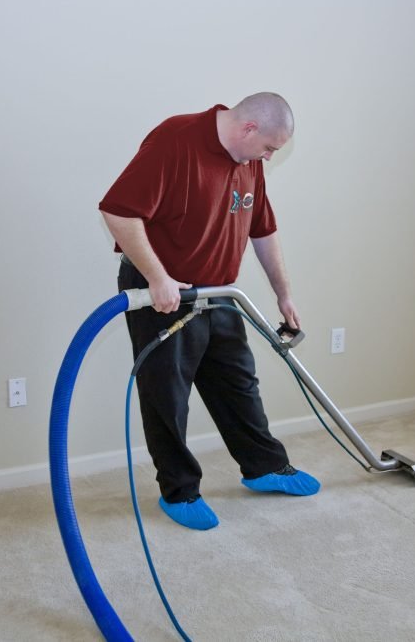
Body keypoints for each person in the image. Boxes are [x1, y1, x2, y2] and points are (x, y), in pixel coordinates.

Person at [98, 92, 320, 531]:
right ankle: (179, 490)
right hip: (162, 290)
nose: (269, 157)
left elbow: (262, 229)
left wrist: (284, 294)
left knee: (238, 381)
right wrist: (158, 278)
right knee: (167, 393)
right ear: (248, 128)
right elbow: (118, 211)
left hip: (219, 292)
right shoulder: (175, 140)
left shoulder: (247, 160)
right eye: (269, 148)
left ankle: (263, 467)